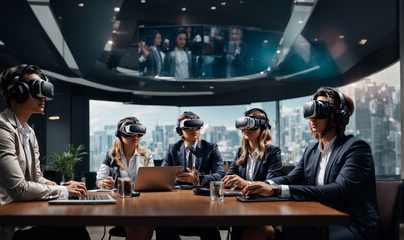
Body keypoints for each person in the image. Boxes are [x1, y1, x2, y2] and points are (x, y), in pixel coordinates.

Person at [241, 87, 381, 240]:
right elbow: (291, 179)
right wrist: (262, 185)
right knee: (256, 230)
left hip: (351, 225)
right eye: (311, 111)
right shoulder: (311, 150)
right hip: (317, 218)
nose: (313, 118)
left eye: (320, 111)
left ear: (339, 117)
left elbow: (339, 190)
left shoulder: (356, 148)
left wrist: (275, 189)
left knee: (273, 233)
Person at [0, 64, 89, 240]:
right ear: (17, 91)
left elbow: (36, 178)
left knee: (78, 230)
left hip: (25, 216)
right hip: (6, 227)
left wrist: (56, 185)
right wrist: (63, 191)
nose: (43, 96)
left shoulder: (29, 133)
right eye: (36, 88)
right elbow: (19, 189)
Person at [157, 111, 225, 240]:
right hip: (176, 201)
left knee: (208, 226)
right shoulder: (173, 148)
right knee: (162, 225)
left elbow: (220, 174)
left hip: (202, 201)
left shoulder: (211, 148)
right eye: (189, 127)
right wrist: (173, 177)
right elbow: (163, 174)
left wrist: (199, 179)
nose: (194, 130)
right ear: (180, 130)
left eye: (197, 127)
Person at [222, 108, 282, 240]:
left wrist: (246, 184)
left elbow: (272, 183)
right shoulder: (241, 152)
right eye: (244, 126)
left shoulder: (272, 152)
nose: (246, 129)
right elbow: (229, 177)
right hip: (241, 207)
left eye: (251, 126)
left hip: (263, 211)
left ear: (262, 128)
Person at [96, 117, 154, 240]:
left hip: (141, 203)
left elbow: (151, 181)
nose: (136, 137)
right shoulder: (111, 155)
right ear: (120, 135)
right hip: (119, 205)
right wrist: (104, 183)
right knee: (141, 225)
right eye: (131, 134)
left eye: (138, 134)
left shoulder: (146, 155)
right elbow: (99, 181)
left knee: (147, 224)